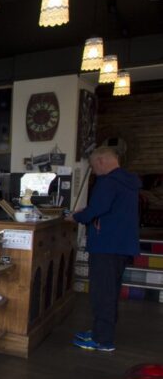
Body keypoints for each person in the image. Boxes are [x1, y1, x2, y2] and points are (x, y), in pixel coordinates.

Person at [67, 146, 140, 352]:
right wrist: (89, 212)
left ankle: (102, 340)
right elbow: (106, 210)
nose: (93, 169)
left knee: (102, 293)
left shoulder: (108, 182)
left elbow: (97, 210)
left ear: (101, 161)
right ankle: (101, 332)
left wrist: (77, 216)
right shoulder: (128, 181)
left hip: (107, 246)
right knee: (110, 291)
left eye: (92, 165)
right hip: (121, 245)